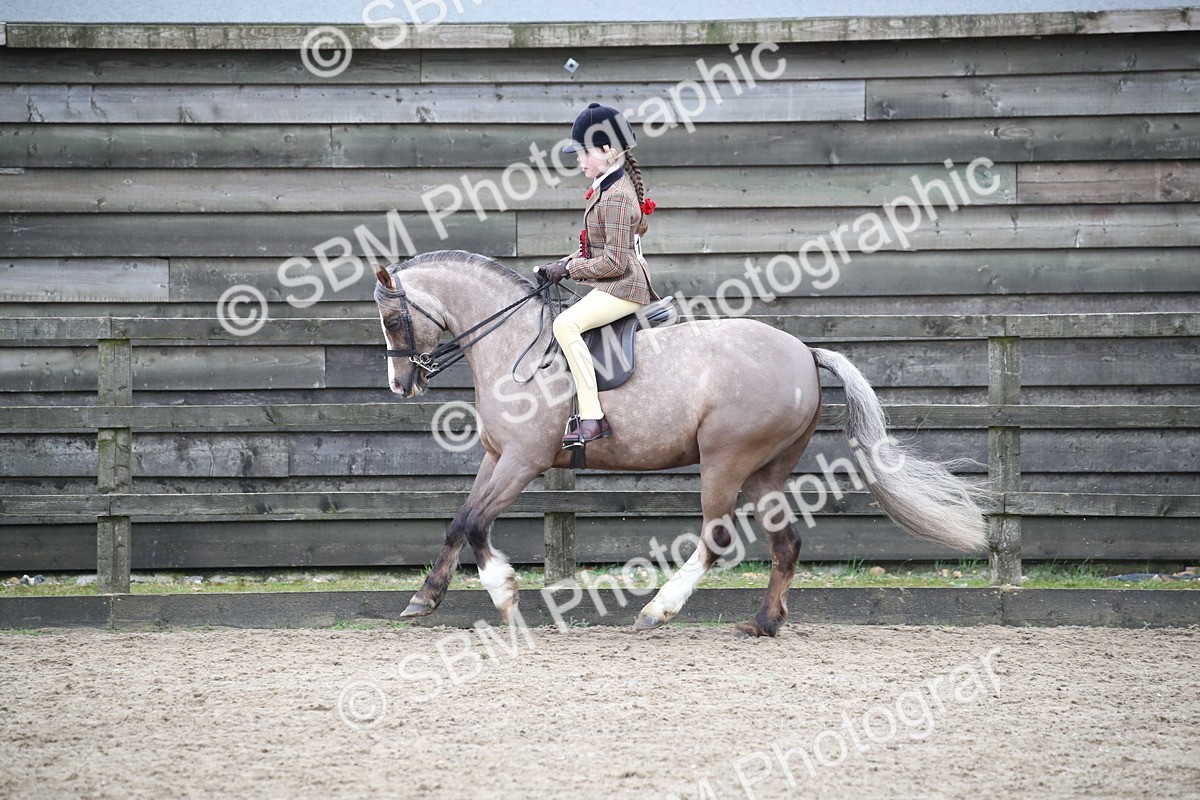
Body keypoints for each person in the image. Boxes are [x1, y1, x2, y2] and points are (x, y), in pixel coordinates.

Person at [542, 103, 660, 448]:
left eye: (584, 153)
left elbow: (615, 264)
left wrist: (568, 268)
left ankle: (592, 417)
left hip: (625, 286)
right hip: (616, 281)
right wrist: (560, 264)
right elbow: (600, 252)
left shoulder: (618, 195)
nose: (579, 160)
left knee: (564, 325)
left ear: (608, 152)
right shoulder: (609, 187)